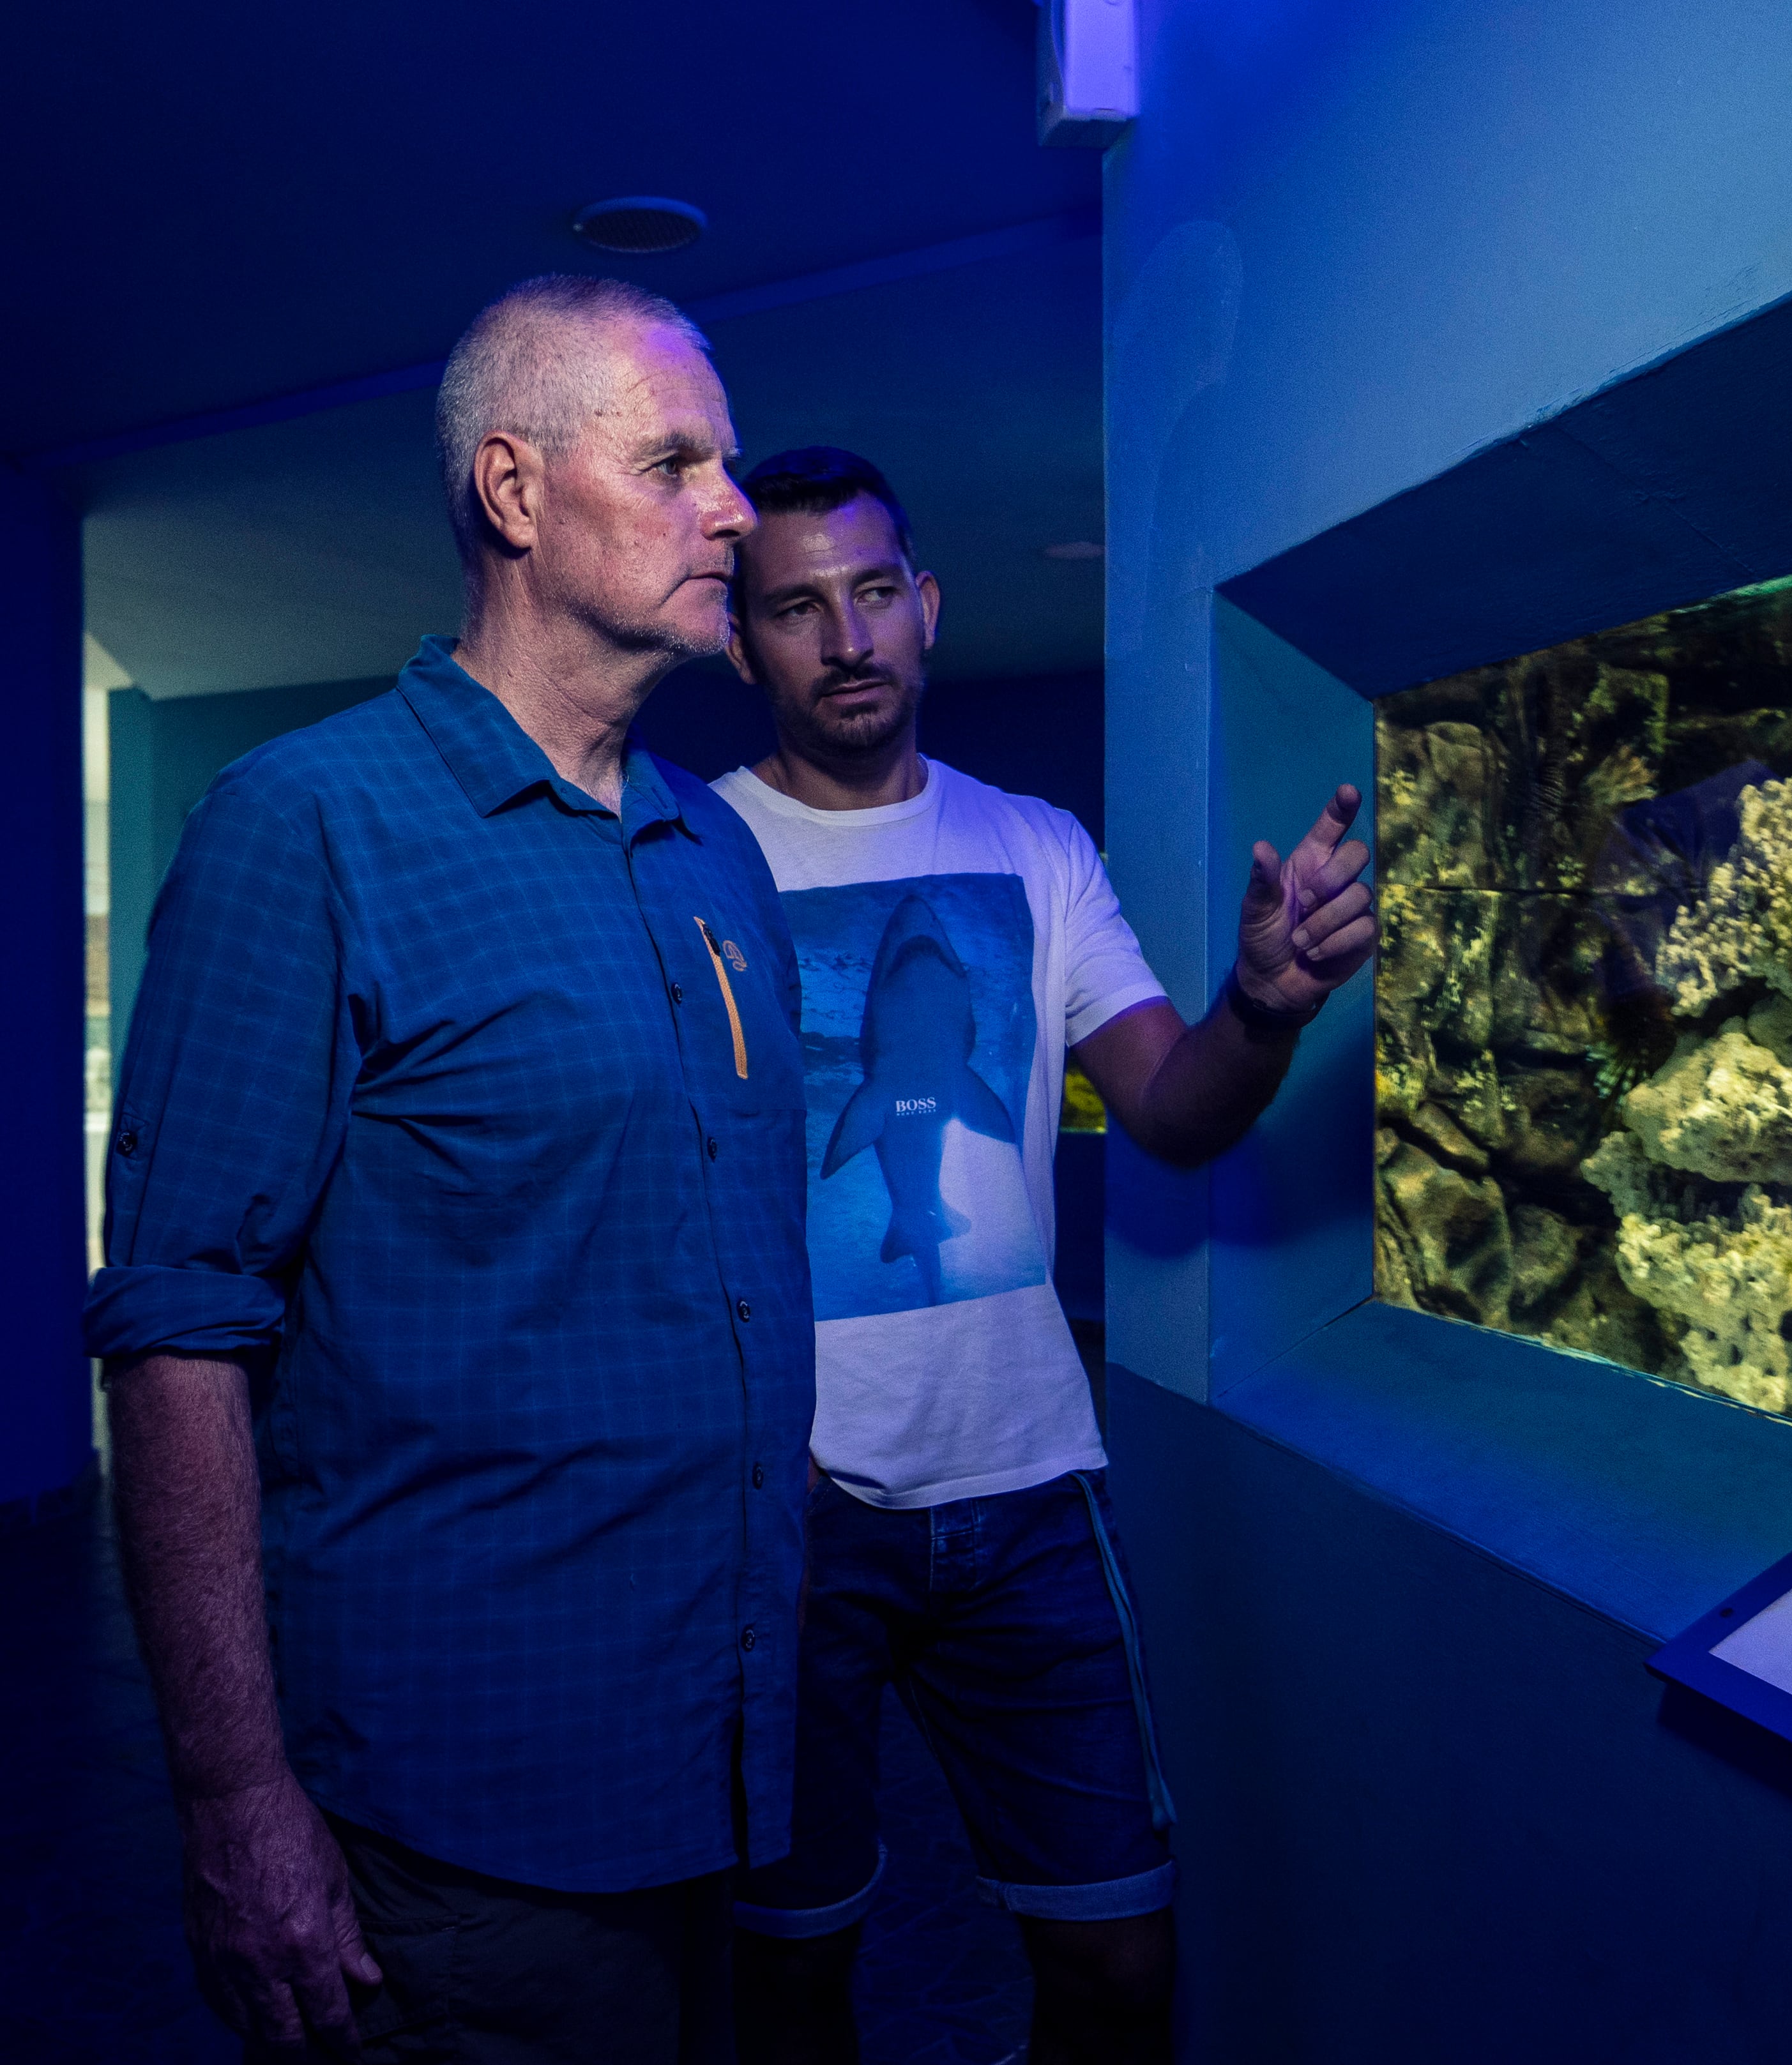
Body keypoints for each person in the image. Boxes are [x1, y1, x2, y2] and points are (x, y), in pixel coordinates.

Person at [84, 276, 814, 2062]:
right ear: (512, 490)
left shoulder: (708, 846)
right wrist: (235, 1802)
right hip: (455, 1822)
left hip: (712, 1770)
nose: (734, 505)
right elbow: (179, 1336)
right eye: (676, 461)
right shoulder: (308, 827)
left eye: (730, 466)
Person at [714, 447, 1376, 2065]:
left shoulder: (1036, 845)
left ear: (927, 609)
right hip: (783, 1519)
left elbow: (1172, 1109)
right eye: (796, 608)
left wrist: (1264, 1015)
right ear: (743, 645)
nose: (847, 638)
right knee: (789, 1983)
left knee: (1121, 1967)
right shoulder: (685, 861)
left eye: (875, 593)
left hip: (1026, 1491)